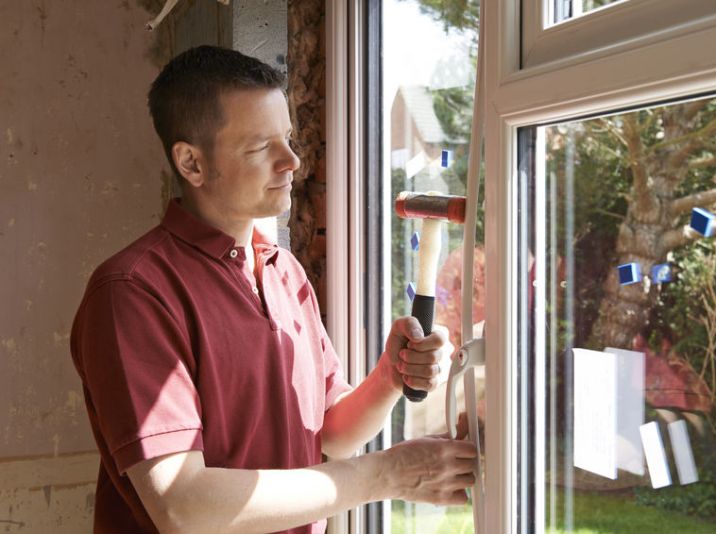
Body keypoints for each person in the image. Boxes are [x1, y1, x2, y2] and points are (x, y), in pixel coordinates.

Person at [69, 45, 476, 534]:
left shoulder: (284, 272)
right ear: (191, 164)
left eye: (287, 137)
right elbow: (182, 505)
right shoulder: (133, 292)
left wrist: (388, 376)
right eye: (261, 147)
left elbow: (331, 432)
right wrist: (385, 475)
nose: (292, 161)